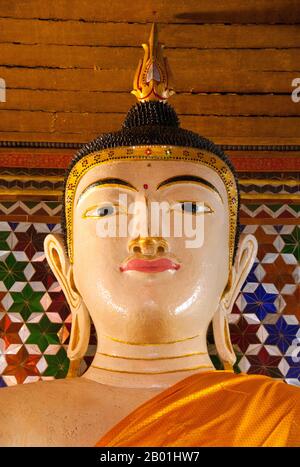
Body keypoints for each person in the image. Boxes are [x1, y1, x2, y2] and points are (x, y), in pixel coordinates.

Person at [0, 24, 299, 447]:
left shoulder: (284, 419)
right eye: (107, 212)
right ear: (65, 269)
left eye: (189, 209)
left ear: (236, 268)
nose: (148, 236)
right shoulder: (6, 421)